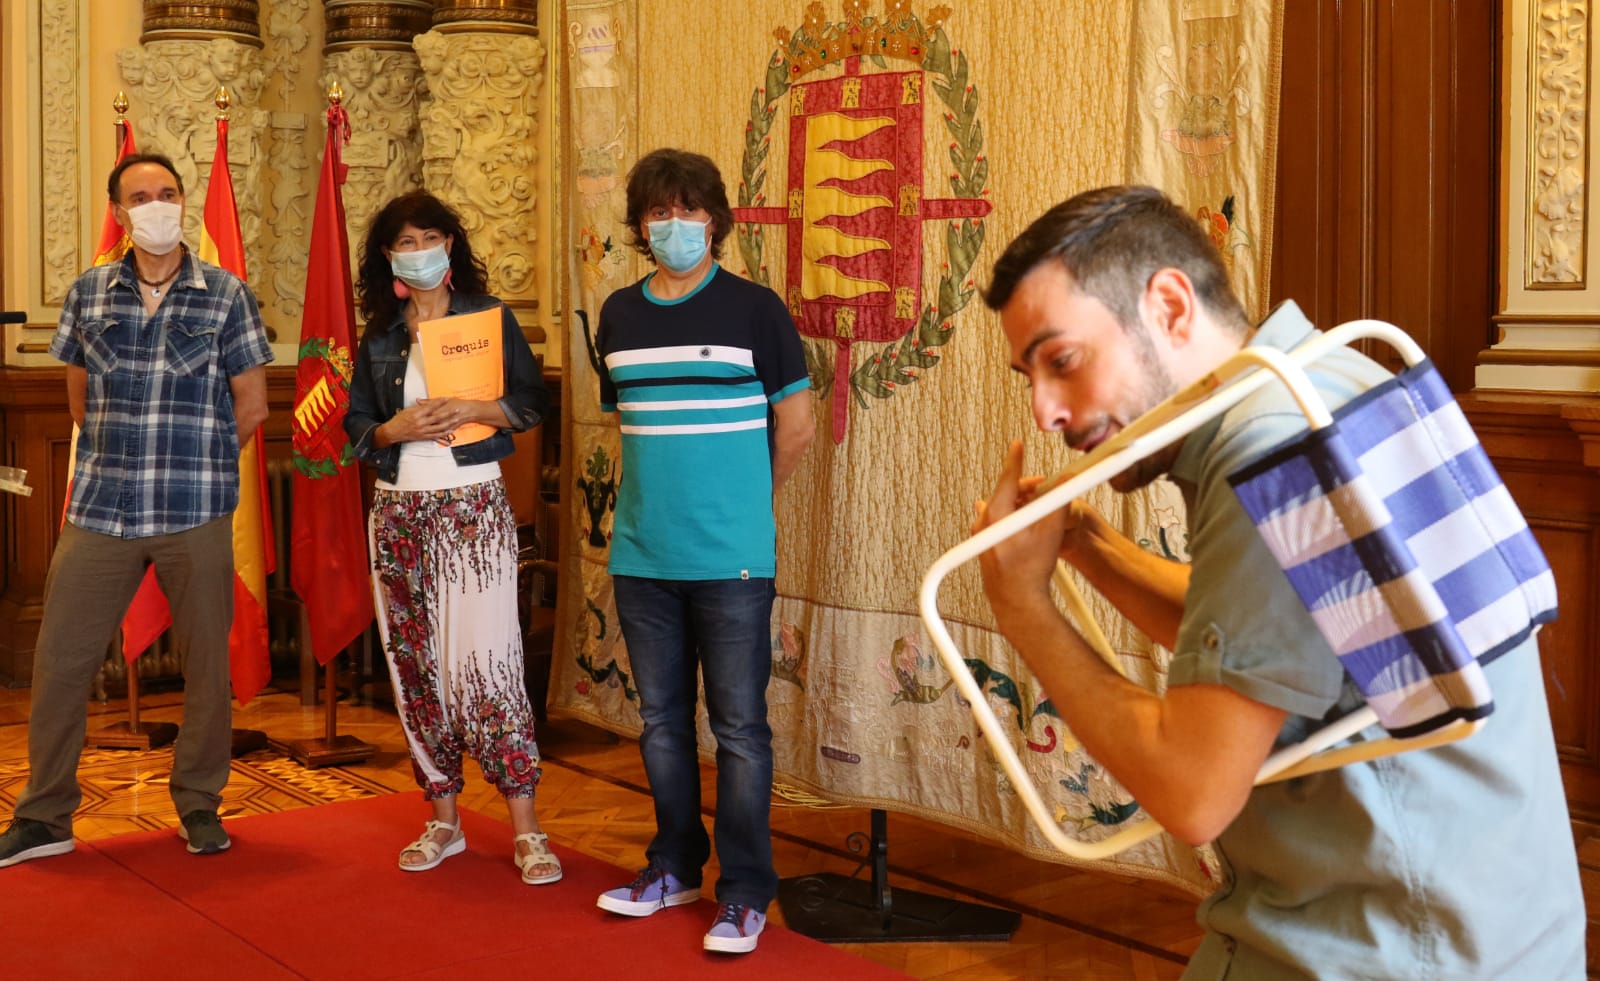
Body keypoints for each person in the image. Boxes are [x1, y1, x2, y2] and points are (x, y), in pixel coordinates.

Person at [974, 184, 1586, 978]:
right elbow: (1284, 651)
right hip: (1504, 936)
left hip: (1390, 942)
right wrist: (1085, 543)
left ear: (1169, 305)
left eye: (1062, 361)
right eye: (1031, 375)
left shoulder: (1269, 449)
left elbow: (1194, 795)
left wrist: (1021, 606)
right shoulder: (1318, 379)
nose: (1044, 411)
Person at [0, 152, 273, 865]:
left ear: (184, 203)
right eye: (141, 196)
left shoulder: (225, 294)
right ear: (120, 213)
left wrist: (201, 454)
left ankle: (199, 805)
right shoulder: (89, 292)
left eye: (169, 193)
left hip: (195, 505)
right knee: (61, 661)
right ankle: (46, 815)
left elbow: (251, 404)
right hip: (102, 507)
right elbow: (77, 399)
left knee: (208, 666)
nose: (157, 206)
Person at [592, 148, 814, 955]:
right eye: (658, 213)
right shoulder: (618, 313)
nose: (674, 226)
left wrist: (743, 504)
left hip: (734, 559)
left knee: (741, 728)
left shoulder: (757, 310)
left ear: (716, 220)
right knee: (658, 723)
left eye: (689, 211)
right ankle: (673, 865)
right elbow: (628, 425)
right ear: (640, 227)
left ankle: (747, 890)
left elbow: (797, 425)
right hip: (642, 556)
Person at [345, 191, 560, 885]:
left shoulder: (489, 318)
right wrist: (391, 430)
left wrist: (472, 406)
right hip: (399, 511)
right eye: (405, 241)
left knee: (488, 661)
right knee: (415, 666)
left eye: (429, 236)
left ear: (450, 243)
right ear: (389, 256)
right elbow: (355, 429)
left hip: (472, 508)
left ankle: (526, 826)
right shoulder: (380, 335)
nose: (419, 250)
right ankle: (443, 818)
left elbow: (531, 402)